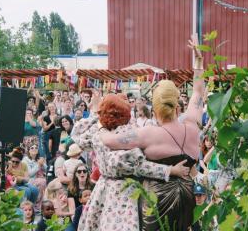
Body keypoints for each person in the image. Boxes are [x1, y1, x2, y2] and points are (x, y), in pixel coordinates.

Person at [100, 35, 205, 230]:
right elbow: (198, 91)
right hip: (188, 198)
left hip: (156, 204)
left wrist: (100, 125)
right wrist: (198, 60)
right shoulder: (193, 125)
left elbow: (109, 141)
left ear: (154, 110)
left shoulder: (147, 134)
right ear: (177, 105)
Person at [75, 94, 189, 231]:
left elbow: (77, 133)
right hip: (123, 191)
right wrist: (170, 170)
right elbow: (140, 167)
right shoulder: (123, 133)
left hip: (103, 187)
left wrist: (96, 114)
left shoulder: (98, 132)